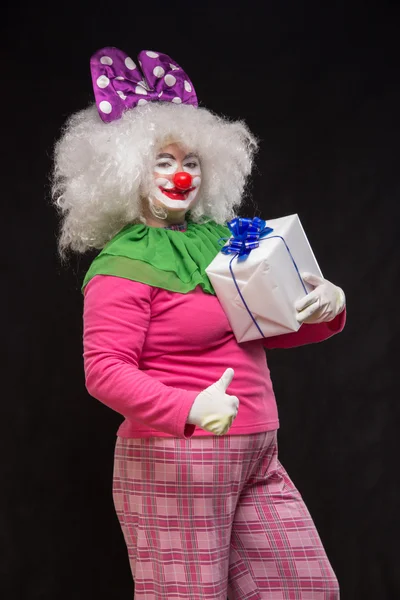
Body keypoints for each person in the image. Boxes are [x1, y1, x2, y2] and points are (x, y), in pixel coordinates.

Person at [52, 46, 346, 599]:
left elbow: (267, 321)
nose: (181, 175)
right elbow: (104, 370)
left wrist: (326, 306)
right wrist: (188, 408)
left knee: (305, 588)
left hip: (257, 450)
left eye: (191, 162)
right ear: (127, 170)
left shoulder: (223, 237)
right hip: (175, 459)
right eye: (164, 161)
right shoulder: (121, 265)